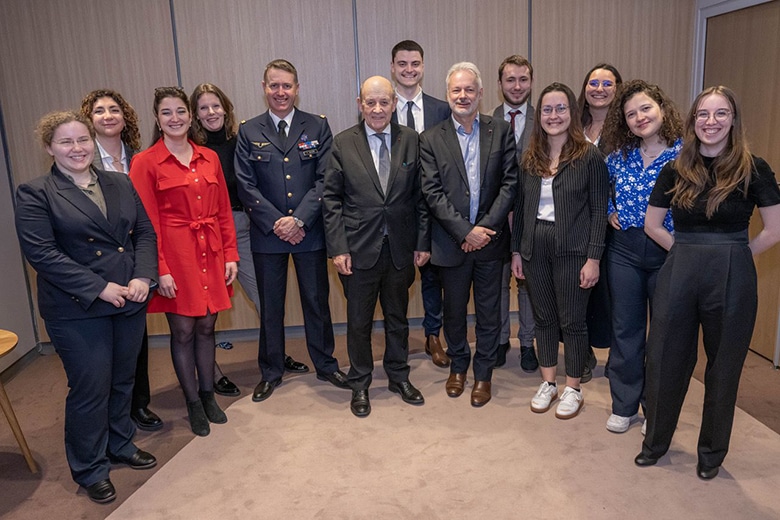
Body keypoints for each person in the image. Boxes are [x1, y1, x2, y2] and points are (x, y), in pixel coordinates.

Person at [635, 86, 780, 479]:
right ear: (693, 120)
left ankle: (711, 454)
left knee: (724, 366)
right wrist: (685, 251)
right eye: (703, 114)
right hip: (680, 268)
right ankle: (656, 443)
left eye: (720, 114)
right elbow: (652, 225)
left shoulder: (755, 167)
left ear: (733, 120)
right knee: (665, 359)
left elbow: (774, 229)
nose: (710, 122)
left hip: (733, 272)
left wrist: (736, 255)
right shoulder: (675, 168)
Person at [15, 111, 158, 503]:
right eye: (66, 142)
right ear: (49, 147)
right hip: (76, 307)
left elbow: (143, 232)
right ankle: (90, 467)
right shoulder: (36, 192)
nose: (77, 148)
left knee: (123, 380)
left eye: (82, 140)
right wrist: (99, 288)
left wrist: (143, 277)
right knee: (90, 387)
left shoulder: (119, 182)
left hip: (128, 298)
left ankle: (121, 444)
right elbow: (42, 253)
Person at [234, 59, 349, 403]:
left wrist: (298, 219)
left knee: (316, 302)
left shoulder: (317, 126)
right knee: (271, 307)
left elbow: (326, 178)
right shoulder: (249, 131)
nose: (280, 92)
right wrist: (278, 223)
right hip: (267, 235)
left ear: (297, 88)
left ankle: (326, 365)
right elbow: (245, 185)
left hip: (309, 231)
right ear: (264, 88)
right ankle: (271, 371)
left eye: (287, 86)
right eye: (274, 85)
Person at [130, 86, 237, 437]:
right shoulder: (145, 162)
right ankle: (192, 402)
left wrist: (231, 254)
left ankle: (208, 396)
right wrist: (159, 268)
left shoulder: (210, 157)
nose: (175, 118)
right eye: (166, 113)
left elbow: (223, 211)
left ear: (191, 117)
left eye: (180, 111)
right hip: (175, 255)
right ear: (157, 119)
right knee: (184, 330)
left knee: (208, 326)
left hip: (212, 250)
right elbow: (144, 223)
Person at [323, 76, 431, 417]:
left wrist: (422, 242)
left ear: (394, 103)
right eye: (371, 102)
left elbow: (421, 198)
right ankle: (360, 382)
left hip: (400, 247)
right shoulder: (343, 143)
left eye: (384, 102)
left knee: (398, 318)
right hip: (358, 249)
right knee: (359, 322)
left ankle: (399, 375)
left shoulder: (412, 141)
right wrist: (339, 248)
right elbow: (331, 200)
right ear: (360, 105)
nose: (378, 109)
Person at [420, 62, 518, 407]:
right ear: (448, 95)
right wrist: (465, 231)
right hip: (451, 242)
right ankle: (458, 367)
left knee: (490, 313)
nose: (462, 96)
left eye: (469, 90)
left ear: (480, 93)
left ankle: (484, 374)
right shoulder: (431, 138)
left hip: (490, 244)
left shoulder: (501, 131)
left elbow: (510, 184)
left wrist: (483, 230)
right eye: (455, 90)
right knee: (454, 312)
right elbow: (431, 192)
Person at [511, 83, 609, 420]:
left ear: (571, 112)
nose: (554, 116)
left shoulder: (589, 156)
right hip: (535, 246)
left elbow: (599, 211)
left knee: (573, 321)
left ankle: (573, 388)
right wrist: (516, 252)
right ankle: (548, 383)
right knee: (544, 319)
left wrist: (593, 258)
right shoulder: (531, 157)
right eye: (548, 110)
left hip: (573, 250)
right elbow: (521, 208)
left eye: (561, 108)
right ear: (540, 116)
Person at [599, 80, 683, 433]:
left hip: (670, 251)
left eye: (645, 108)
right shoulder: (618, 157)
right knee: (626, 330)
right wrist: (608, 210)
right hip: (625, 251)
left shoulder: (686, 155)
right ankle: (624, 405)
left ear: (661, 108)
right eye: (631, 114)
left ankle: (656, 409)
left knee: (663, 334)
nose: (639, 117)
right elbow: (599, 189)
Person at [79, 89, 163, 431]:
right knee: (104, 348)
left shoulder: (140, 158)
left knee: (136, 338)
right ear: (90, 121)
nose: (108, 115)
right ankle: (111, 413)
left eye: (114, 109)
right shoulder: (83, 161)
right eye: (99, 111)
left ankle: (138, 404)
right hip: (100, 264)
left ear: (125, 116)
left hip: (136, 257)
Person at [389, 39, 451, 368]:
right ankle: (395, 340)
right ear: (393, 68)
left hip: (434, 206)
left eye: (415, 64)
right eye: (402, 64)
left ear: (423, 67)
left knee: (432, 276)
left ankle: (433, 335)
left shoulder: (442, 109)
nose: (409, 70)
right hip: (397, 208)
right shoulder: (382, 107)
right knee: (398, 276)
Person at [189, 83, 249, 398]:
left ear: (225, 108)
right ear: (195, 115)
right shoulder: (190, 149)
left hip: (244, 226)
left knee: (267, 297)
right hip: (206, 234)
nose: (211, 113)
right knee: (206, 311)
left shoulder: (242, 142)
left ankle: (273, 358)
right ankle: (211, 374)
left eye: (216, 106)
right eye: (203, 108)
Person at [491, 54, 539, 372]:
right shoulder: (487, 122)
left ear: (531, 82)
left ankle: (527, 343)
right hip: (496, 217)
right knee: (496, 281)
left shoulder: (545, 120)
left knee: (527, 283)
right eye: (511, 79)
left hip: (533, 217)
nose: (517, 85)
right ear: (500, 84)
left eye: (523, 79)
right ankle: (499, 340)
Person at [576, 63, 624, 382]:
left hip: (614, 223)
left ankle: (619, 358)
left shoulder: (627, 129)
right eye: (593, 82)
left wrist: (613, 208)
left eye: (607, 83)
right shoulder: (574, 126)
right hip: (577, 222)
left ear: (618, 89)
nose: (599, 88)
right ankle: (583, 352)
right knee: (580, 291)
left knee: (616, 293)